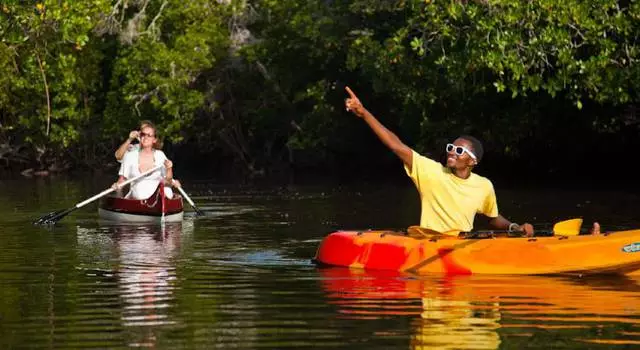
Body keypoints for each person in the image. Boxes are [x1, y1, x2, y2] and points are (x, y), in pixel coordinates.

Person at [344, 86, 534, 236]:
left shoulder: (484, 186)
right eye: (451, 148)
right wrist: (364, 114)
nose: (452, 152)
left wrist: (514, 227)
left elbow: (492, 217)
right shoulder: (431, 171)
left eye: (459, 150)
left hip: (459, 244)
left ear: (472, 162)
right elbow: (397, 146)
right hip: (429, 242)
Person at [113, 123, 180, 199]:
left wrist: (169, 169)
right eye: (143, 134)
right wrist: (118, 188)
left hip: (160, 192)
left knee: (166, 190)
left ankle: (159, 202)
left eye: (149, 135)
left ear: (154, 140)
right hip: (137, 195)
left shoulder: (160, 155)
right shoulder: (130, 154)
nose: (145, 137)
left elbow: (168, 182)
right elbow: (122, 180)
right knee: (137, 192)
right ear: (139, 136)